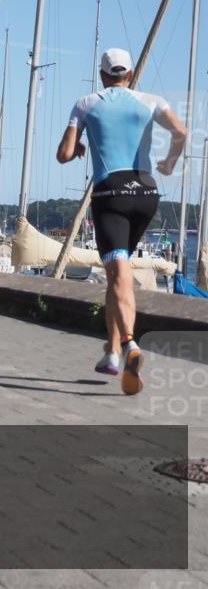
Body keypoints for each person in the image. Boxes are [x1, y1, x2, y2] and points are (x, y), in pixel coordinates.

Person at [56, 47, 187, 395]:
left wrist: (79, 146)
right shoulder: (151, 101)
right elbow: (181, 132)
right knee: (118, 272)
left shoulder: (86, 103)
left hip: (111, 195)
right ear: (130, 75)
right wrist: (170, 163)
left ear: (102, 75)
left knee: (119, 274)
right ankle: (111, 351)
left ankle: (129, 344)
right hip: (146, 194)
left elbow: (63, 154)